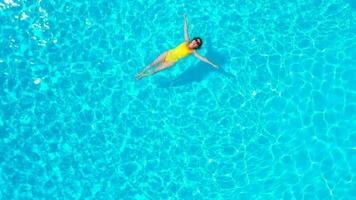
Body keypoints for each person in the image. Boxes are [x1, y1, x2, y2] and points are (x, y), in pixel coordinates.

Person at [135, 14, 218, 80]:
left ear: (197, 46)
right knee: (152, 64)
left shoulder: (193, 52)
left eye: (197, 43)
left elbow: (203, 58)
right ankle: (141, 73)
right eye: (196, 40)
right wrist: (185, 18)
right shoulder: (186, 41)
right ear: (193, 40)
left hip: (172, 61)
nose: (195, 42)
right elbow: (185, 30)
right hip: (167, 53)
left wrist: (213, 64)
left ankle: (143, 76)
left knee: (155, 70)